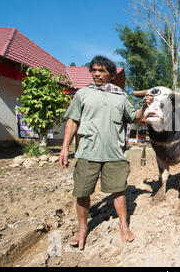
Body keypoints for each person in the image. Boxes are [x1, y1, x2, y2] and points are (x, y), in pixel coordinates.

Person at [58, 55, 153, 250]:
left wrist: (145, 105)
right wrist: (65, 147)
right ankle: (82, 229)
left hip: (114, 153)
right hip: (87, 152)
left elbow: (134, 118)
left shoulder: (121, 96)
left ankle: (124, 226)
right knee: (82, 193)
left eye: (101, 71)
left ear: (110, 75)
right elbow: (73, 120)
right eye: (94, 70)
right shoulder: (83, 94)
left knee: (119, 191)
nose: (97, 74)